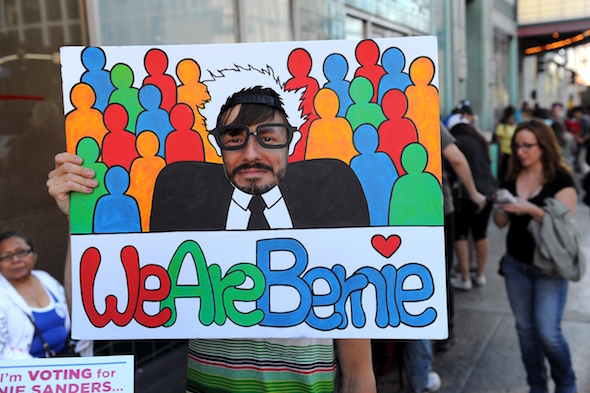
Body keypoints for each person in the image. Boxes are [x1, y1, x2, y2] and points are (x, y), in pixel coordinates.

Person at [47, 86, 376, 393]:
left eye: (268, 137)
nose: (251, 153)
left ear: (289, 143)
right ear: (218, 146)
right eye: (235, 138)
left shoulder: (331, 230)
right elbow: (87, 310)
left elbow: (358, 373)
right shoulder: (183, 221)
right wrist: (78, 218)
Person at [493, 119, 577, 393]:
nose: (520, 152)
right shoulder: (511, 177)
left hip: (549, 267)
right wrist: (501, 205)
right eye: (517, 146)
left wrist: (531, 209)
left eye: (527, 146)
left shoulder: (561, 180)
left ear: (543, 146)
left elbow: (565, 229)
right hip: (516, 265)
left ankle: (566, 383)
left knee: (549, 333)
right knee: (526, 332)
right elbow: (501, 223)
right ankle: (537, 386)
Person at [0, 230, 92, 359]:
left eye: (21, 252)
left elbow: (73, 315)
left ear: (34, 254)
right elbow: (2, 352)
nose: (15, 260)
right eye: (6, 256)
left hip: (67, 360)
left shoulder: (44, 278)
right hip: (28, 372)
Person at [449, 122, 496, 290]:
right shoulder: (480, 141)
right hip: (488, 191)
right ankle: (480, 274)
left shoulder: (455, 142)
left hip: (467, 195)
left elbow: (455, 163)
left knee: (460, 234)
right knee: (481, 234)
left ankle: (465, 277)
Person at [495, 105, 516, 182]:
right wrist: (500, 150)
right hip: (504, 151)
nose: (512, 119)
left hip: (512, 151)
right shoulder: (502, 127)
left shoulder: (514, 127)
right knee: (504, 169)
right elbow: (498, 139)